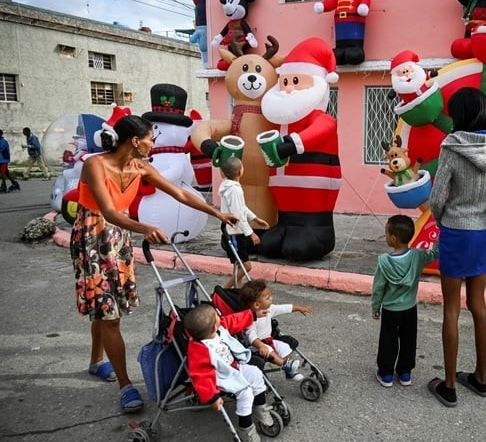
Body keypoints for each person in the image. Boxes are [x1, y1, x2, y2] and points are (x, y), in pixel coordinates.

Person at [69, 114, 238, 414]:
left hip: (119, 237)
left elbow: (181, 193)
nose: (153, 143)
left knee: (107, 307)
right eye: (151, 138)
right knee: (110, 313)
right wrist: (144, 227)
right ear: (135, 141)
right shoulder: (94, 165)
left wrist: (218, 214)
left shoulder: (141, 166)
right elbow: (107, 211)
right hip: (92, 237)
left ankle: (97, 361)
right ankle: (125, 385)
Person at [427, 87, 486, 407]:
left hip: (455, 232)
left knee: (451, 309)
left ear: (460, 114)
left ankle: (449, 385)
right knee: (478, 305)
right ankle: (480, 378)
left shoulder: (451, 146)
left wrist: (441, 218)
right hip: (483, 233)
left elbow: (437, 198)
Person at [183, 304, 275, 442]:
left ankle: (259, 407)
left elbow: (233, 320)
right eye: (217, 316)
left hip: (234, 367)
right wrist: (212, 397)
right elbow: (201, 375)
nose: (221, 317)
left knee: (256, 373)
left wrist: (253, 315)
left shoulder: (219, 329)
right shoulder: (199, 349)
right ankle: (245, 427)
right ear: (214, 326)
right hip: (220, 377)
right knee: (246, 393)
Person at [371, 214, 439, 388]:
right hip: (410, 308)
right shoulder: (417, 256)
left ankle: (386, 374)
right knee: (409, 339)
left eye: (386, 233)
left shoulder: (384, 262)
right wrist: (441, 233)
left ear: (393, 238)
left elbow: (378, 287)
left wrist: (375, 307)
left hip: (390, 309)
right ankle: (405, 373)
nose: (385, 236)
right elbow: (435, 253)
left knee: (388, 340)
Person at [237, 279, 312, 381]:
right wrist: (261, 346)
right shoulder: (250, 319)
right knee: (269, 350)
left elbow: (283, 308)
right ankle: (285, 365)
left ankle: (289, 371)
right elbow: (252, 336)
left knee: (285, 347)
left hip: (269, 340)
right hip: (256, 346)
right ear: (257, 305)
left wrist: (298, 308)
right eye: (268, 298)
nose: (271, 299)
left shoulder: (269, 309)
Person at [218, 157, 269, 289]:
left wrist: (255, 218)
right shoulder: (234, 190)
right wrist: (251, 234)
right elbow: (238, 215)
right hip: (234, 233)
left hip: (234, 232)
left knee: (238, 265)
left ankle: (237, 292)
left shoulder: (230, 187)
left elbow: (241, 208)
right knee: (246, 266)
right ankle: (223, 291)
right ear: (241, 171)